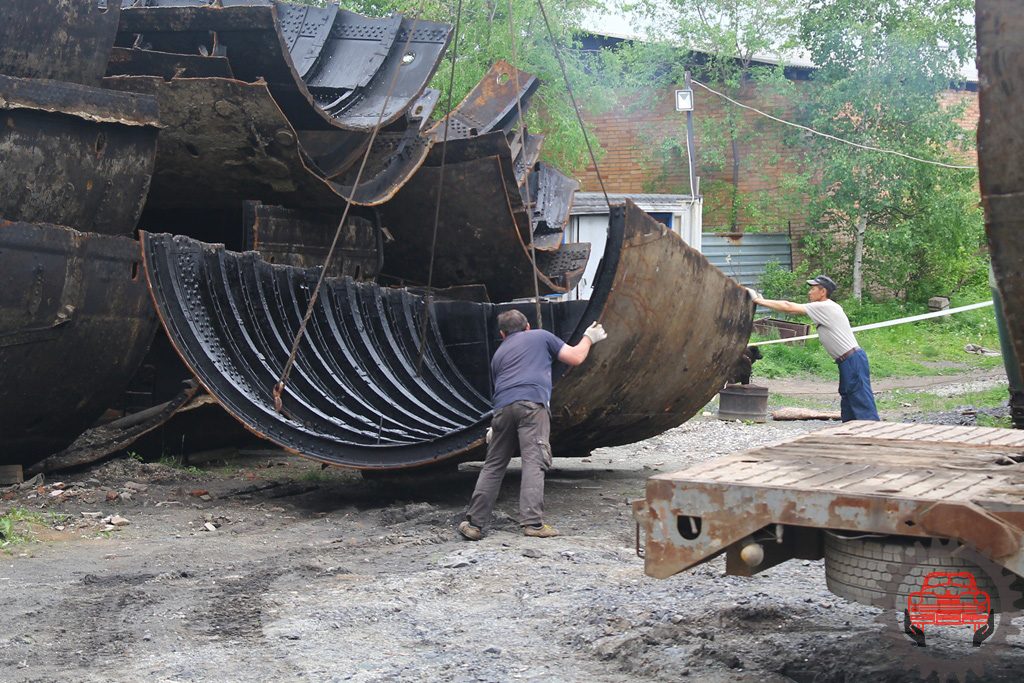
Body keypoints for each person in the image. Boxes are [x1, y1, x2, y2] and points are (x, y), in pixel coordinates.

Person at [458, 310, 607, 541]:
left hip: (502, 410)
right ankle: (533, 524)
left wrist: (495, 427)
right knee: (533, 461)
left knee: (493, 465)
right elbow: (576, 357)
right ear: (527, 326)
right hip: (531, 406)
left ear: (502, 334)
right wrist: (589, 337)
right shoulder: (540, 336)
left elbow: (503, 390)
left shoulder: (498, 354)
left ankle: (474, 524)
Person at [750, 275, 879, 422]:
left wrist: (759, 301)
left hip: (852, 360)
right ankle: (852, 433)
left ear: (822, 292)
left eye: (813, 289)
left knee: (862, 401)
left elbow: (788, 307)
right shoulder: (825, 307)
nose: (809, 293)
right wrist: (763, 300)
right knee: (848, 400)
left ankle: (874, 435)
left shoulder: (825, 306)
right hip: (846, 361)